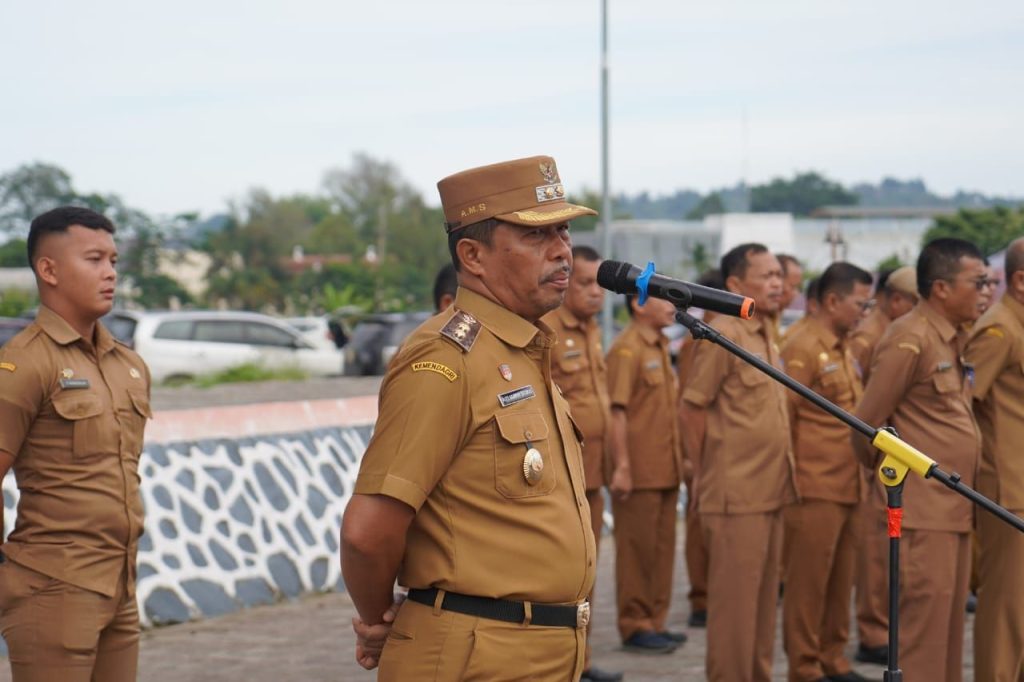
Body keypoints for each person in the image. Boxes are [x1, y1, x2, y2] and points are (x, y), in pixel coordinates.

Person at [340, 156, 599, 682]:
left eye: (563, 231)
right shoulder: (446, 359)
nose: (561, 251)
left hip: (541, 649)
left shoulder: (523, 349)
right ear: (472, 255)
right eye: (535, 236)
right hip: (478, 653)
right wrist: (376, 619)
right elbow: (368, 533)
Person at [0, 206, 152, 682]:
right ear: (48, 270)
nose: (109, 273)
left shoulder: (127, 364)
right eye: (93, 259)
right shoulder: (25, 364)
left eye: (113, 260)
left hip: (120, 586)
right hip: (53, 589)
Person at [852, 237, 985, 682]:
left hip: (954, 510)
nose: (986, 291)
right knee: (921, 641)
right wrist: (890, 487)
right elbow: (866, 425)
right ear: (942, 288)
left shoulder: (950, 337)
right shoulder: (909, 337)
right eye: (978, 282)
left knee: (946, 637)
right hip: (923, 515)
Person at [680, 243, 796, 681]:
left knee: (763, 614)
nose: (776, 283)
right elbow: (692, 408)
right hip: (735, 496)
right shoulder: (722, 332)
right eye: (766, 275)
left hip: (771, 491)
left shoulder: (764, 332)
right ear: (734, 285)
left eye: (778, 275)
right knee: (734, 619)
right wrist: (704, 475)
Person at [780, 262, 873, 682]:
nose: (864, 311)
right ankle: (805, 666)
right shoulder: (801, 345)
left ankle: (833, 657)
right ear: (832, 300)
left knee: (841, 581)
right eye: (859, 303)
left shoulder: (843, 344)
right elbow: (786, 417)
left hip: (848, 481)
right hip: (813, 486)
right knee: (808, 584)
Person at [542, 245, 622, 682]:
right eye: (585, 283)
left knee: (588, 572)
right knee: (567, 573)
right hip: (564, 475)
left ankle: (582, 658)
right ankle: (568, 662)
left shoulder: (591, 330)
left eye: (599, 284)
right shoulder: (548, 330)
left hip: (594, 472)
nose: (596, 293)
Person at [606, 292, 685, 654]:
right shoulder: (627, 349)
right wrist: (621, 465)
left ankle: (655, 621)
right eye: (663, 298)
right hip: (638, 471)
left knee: (662, 550)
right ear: (639, 305)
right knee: (637, 552)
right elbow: (616, 411)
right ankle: (635, 624)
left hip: (664, 469)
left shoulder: (660, 346)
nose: (672, 305)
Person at [847, 264, 918, 664]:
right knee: (875, 553)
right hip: (870, 461)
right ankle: (873, 633)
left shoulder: (889, 333)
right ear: (896, 300)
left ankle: (883, 628)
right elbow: (865, 410)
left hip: (884, 458)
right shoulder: (869, 339)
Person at [965, 237, 1024, 681]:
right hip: (1008, 489)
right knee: (1006, 606)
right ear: (1020, 281)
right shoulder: (999, 330)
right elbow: (963, 406)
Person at [675, 268, 724, 629]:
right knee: (698, 525)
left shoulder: (723, 338)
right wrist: (694, 458)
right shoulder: (698, 341)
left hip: (722, 450)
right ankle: (702, 598)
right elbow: (689, 401)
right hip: (701, 447)